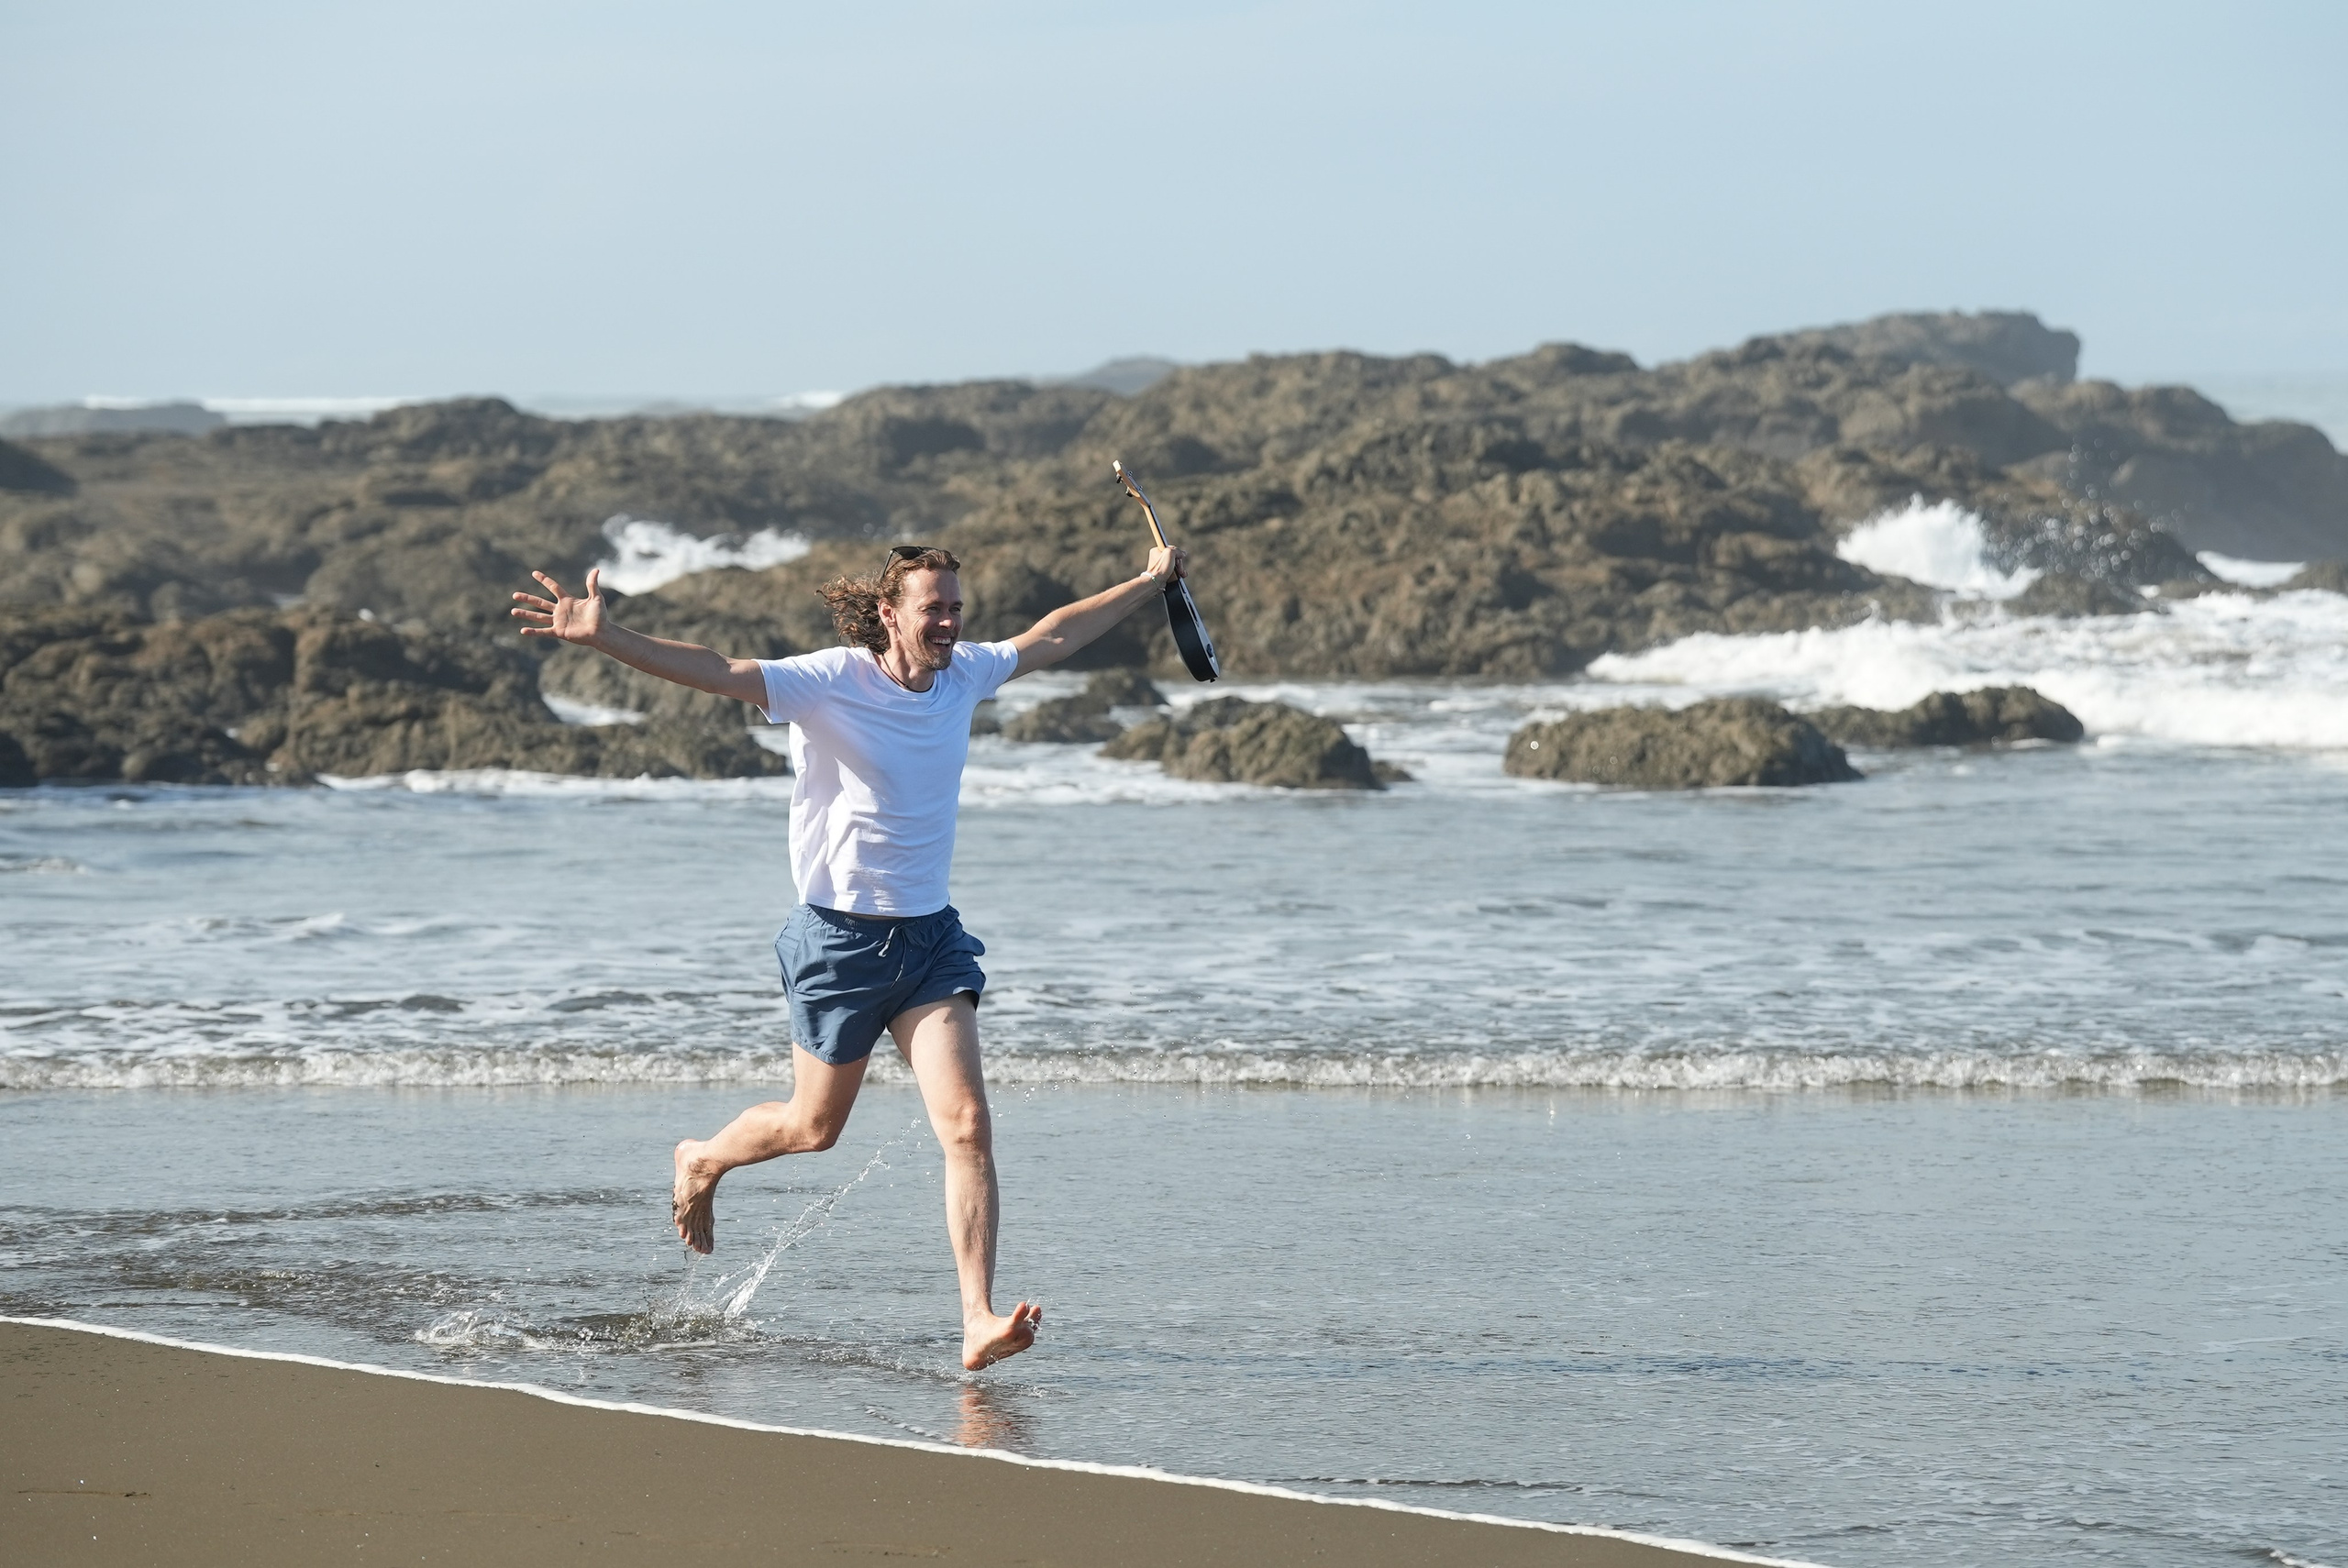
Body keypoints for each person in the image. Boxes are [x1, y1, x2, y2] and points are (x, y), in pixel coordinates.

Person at [509, 539, 1186, 1370]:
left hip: (931, 939)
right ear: (889, 614)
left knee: (969, 1126)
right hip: (839, 940)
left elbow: (1052, 636)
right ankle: (703, 1157)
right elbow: (719, 669)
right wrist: (608, 637)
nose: (949, 622)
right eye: (933, 608)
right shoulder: (830, 680)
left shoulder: (965, 672)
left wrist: (1148, 585)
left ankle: (975, 1317)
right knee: (813, 1128)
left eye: (956, 607)